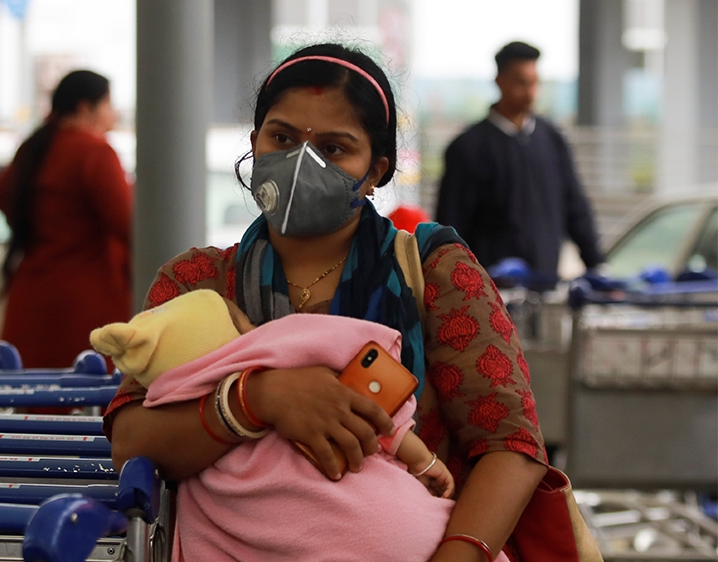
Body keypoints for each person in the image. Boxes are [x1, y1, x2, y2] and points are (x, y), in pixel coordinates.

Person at [105, 43, 547, 562]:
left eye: (334, 148)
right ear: (254, 141)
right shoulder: (199, 282)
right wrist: (256, 399)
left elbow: (510, 445)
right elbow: (132, 441)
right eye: (282, 138)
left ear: (377, 170)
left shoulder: (435, 272)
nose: (300, 162)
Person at [91, 288, 466, 561]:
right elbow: (378, 419)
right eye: (246, 323)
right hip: (402, 529)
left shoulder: (175, 405)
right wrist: (254, 399)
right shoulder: (280, 344)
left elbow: (512, 446)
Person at [0, 70, 133, 375]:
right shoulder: (94, 153)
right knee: (85, 407)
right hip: (85, 302)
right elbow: (127, 223)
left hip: (31, 297)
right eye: (108, 105)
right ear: (85, 109)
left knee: (33, 405)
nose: (113, 115)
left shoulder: (34, 147)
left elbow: (0, 191)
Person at [435, 41, 604, 285]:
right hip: (490, 295)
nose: (529, 92)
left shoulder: (552, 140)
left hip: (546, 285)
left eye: (535, 83)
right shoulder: (468, 148)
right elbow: (452, 224)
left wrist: (596, 265)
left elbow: (575, 207)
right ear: (499, 81)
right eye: (520, 82)